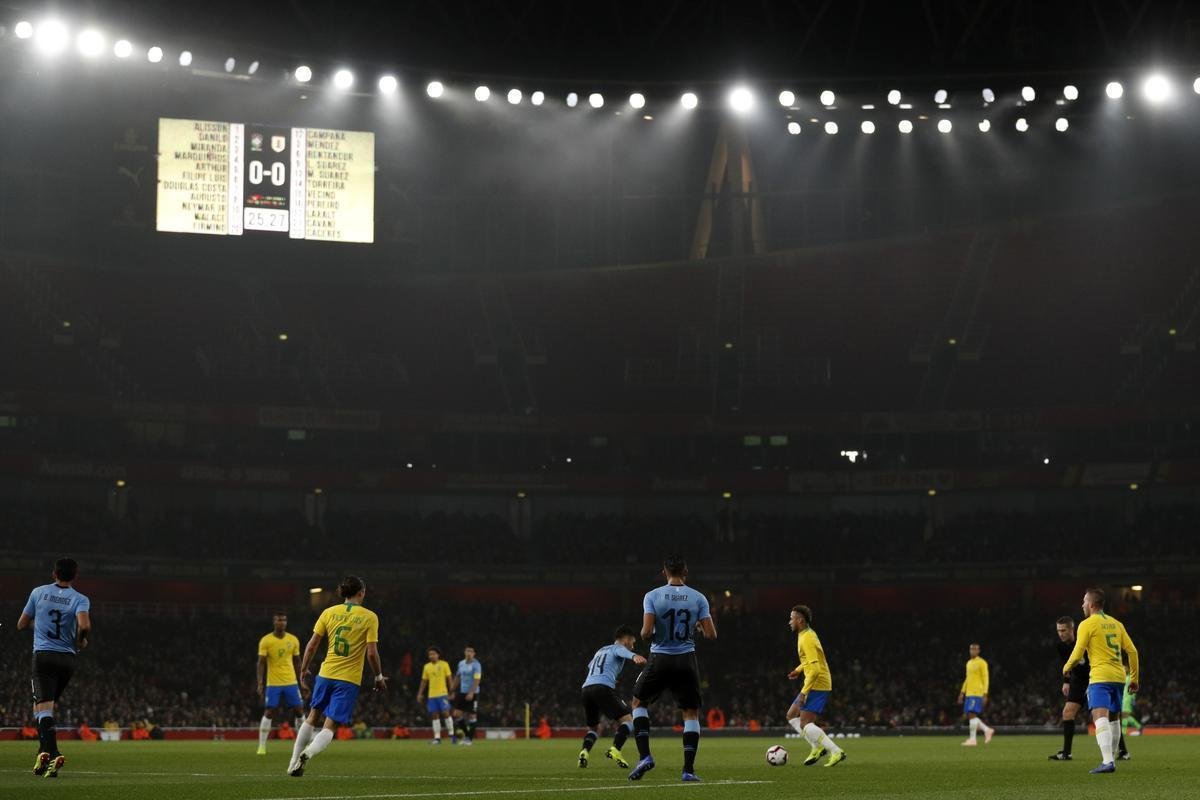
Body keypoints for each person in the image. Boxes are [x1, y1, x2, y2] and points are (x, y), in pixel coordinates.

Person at [627, 555, 717, 783]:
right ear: (685, 572)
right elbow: (711, 635)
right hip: (686, 660)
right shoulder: (699, 598)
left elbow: (645, 633)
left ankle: (645, 756)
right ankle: (688, 770)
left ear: (664, 572)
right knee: (690, 713)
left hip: (660, 658)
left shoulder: (652, 596)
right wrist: (695, 626)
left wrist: (659, 632)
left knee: (638, 702)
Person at [287, 575, 386, 777]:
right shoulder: (370, 617)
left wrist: (304, 668)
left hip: (326, 673)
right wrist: (378, 677)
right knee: (330, 725)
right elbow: (372, 653)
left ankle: (292, 762)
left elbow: (313, 644)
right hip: (348, 679)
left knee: (312, 717)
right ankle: (309, 752)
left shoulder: (328, 612)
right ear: (361, 593)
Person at [17, 557, 91, 779]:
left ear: (54, 573)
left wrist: (39, 623)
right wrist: (80, 640)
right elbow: (85, 625)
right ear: (75, 576)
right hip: (67, 660)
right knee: (42, 709)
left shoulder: (38, 592)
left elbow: (21, 624)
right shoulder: (80, 598)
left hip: (44, 656)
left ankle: (53, 751)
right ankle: (42, 755)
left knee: (43, 709)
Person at [1062, 587, 1140, 774]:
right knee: (1114, 718)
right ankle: (1111, 759)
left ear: (1091, 604)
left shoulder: (1087, 624)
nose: (1082, 605)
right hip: (1119, 677)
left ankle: (1107, 762)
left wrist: (1066, 667)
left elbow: (1078, 652)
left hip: (1100, 677)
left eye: (1083, 601)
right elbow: (1133, 651)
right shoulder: (1117, 624)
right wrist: (1134, 678)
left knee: (1099, 717)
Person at [785, 605, 847, 767]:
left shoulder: (807, 638)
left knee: (805, 723)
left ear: (800, 620)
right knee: (791, 715)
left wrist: (805, 693)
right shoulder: (805, 634)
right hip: (814, 682)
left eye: (791, 618)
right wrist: (798, 670)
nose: (789, 621)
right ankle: (817, 747)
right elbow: (809, 661)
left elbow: (816, 669)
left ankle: (836, 751)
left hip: (818, 683)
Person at [579, 625, 647, 769]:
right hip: (602, 688)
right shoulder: (618, 648)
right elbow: (624, 653)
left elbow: (590, 667)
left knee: (594, 728)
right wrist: (635, 657)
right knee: (628, 721)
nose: (633, 646)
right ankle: (616, 749)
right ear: (626, 640)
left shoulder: (600, 650)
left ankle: (584, 752)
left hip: (586, 689)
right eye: (632, 642)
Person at [256, 612, 305, 755]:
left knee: (299, 711)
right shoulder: (266, 641)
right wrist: (260, 682)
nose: (282, 622)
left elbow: (297, 662)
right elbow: (261, 663)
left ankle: (301, 744)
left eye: (284, 620)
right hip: (273, 683)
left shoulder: (293, 640)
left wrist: (302, 680)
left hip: (291, 682)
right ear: (274, 621)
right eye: (279, 620)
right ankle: (262, 746)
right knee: (269, 711)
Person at [1050, 616, 1089, 760]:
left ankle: (1122, 750)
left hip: (1094, 680)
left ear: (1072, 629)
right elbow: (1068, 666)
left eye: (1063, 630)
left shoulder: (1083, 642)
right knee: (1067, 712)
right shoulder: (1061, 647)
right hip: (1078, 682)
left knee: (1107, 715)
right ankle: (1066, 753)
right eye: (1058, 630)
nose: (1060, 633)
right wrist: (1066, 681)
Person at [958, 642, 995, 746]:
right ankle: (987, 730)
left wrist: (985, 693)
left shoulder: (982, 663)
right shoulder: (968, 663)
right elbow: (967, 678)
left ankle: (973, 739)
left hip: (977, 692)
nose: (973, 651)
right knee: (970, 715)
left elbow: (986, 678)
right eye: (971, 649)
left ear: (978, 651)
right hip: (969, 692)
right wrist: (962, 692)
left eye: (975, 649)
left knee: (972, 714)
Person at [417, 647, 456, 744]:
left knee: (446, 713)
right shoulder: (427, 667)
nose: (432, 656)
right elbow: (424, 682)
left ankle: (452, 735)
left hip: (443, 694)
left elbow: (449, 679)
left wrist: (452, 691)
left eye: (434, 654)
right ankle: (437, 738)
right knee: (434, 715)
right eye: (430, 654)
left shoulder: (444, 664)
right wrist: (420, 693)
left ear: (438, 655)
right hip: (431, 695)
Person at [452, 646, 483, 745]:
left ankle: (469, 739)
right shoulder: (461, 663)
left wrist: (471, 692)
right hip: (462, 692)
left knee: (472, 716)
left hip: (473, 692)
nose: (469, 653)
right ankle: (467, 736)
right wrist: (451, 690)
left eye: (471, 651)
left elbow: (477, 679)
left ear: (474, 653)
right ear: (464, 652)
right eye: (467, 651)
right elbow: (457, 677)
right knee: (457, 714)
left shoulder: (476, 665)